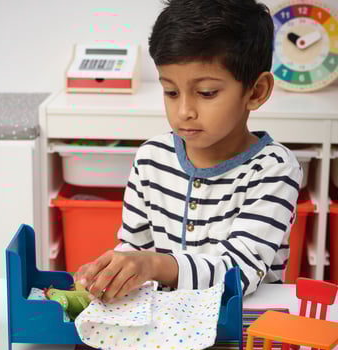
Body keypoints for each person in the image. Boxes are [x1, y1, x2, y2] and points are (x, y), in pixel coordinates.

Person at [74, 0, 303, 303]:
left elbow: (240, 272)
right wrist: (111, 272)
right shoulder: (151, 158)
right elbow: (133, 247)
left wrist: (153, 264)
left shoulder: (274, 169)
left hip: (245, 324)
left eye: (206, 93)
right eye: (170, 91)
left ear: (256, 91)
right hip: (168, 326)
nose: (184, 111)